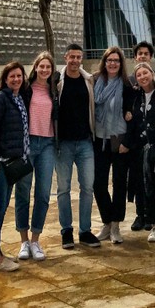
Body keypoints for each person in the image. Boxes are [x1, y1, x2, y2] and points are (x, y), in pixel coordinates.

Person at [0, 60, 30, 272]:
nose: (16, 79)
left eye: (19, 76)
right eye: (12, 76)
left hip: (10, 163)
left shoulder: (17, 99)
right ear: (5, 79)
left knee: (0, 209)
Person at [55, 43, 101, 250]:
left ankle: (85, 230)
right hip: (63, 142)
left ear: (82, 59)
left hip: (85, 142)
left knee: (88, 187)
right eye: (71, 57)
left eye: (78, 57)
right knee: (63, 188)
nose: (74, 60)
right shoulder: (57, 81)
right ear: (65, 58)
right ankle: (66, 230)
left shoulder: (88, 80)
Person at [15, 51, 57, 262]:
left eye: (48, 67)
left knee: (43, 193)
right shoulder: (26, 89)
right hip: (28, 144)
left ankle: (35, 239)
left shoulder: (54, 90)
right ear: (35, 67)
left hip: (47, 143)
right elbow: (9, 98)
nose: (44, 70)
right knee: (23, 191)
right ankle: (23, 240)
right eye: (41, 66)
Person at [93, 46, 134, 244]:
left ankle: (116, 224)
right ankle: (107, 221)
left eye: (116, 61)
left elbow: (133, 114)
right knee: (98, 183)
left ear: (121, 63)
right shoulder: (95, 82)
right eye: (110, 60)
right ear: (104, 61)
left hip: (119, 140)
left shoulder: (126, 84)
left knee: (119, 183)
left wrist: (128, 141)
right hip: (99, 139)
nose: (113, 64)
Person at [123, 62, 155, 241]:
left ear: (152, 73)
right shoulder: (136, 97)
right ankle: (150, 221)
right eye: (139, 75)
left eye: (145, 73)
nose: (143, 77)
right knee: (144, 185)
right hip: (141, 148)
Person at [127, 41, 155, 231]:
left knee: (151, 179)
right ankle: (140, 215)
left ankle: (152, 216)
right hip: (137, 141)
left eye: (146, 53)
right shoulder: (131, 83)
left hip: (153, 142)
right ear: (135, 57)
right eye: (140, 54)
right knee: (137, 178)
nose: (143, 56)